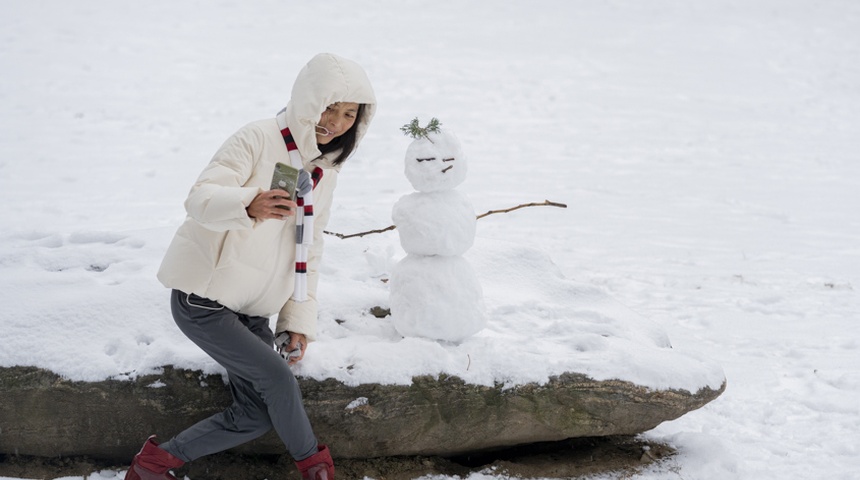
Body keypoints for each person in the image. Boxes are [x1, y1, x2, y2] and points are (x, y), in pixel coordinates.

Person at [123, 53, 376, 480]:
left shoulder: (324, 173)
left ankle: (155, 465)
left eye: (349, 113)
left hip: (252, 308)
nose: (335, 121)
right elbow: (199, 198)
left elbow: (308, 251)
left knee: (256, 416)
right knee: (278, 379)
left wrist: (296, 319)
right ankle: (316, 470)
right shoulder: (258, 138)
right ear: (308, 100)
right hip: (203, 299)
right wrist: (248, 202)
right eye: (329, 106)